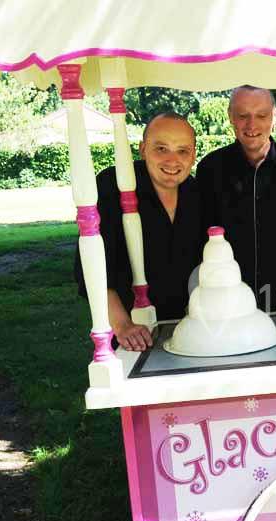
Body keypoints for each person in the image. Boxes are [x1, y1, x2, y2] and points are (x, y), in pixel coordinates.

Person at [75, 112, 204, 351]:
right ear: (143, 149)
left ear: (194, 155)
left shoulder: (196, 193)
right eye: (161, 148)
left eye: (183, 150)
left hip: (188, 329)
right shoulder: (114, 186)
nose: (172, 160)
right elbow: (90, 266)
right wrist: (122, 325)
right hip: (133, 334)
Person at [195, 86, 276, 312]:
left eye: (261, 115)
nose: (251, 125)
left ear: (275, 116)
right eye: (243, 115)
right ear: (230, 117)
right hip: (227, 304)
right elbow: (200, 240)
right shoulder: (210, 168)